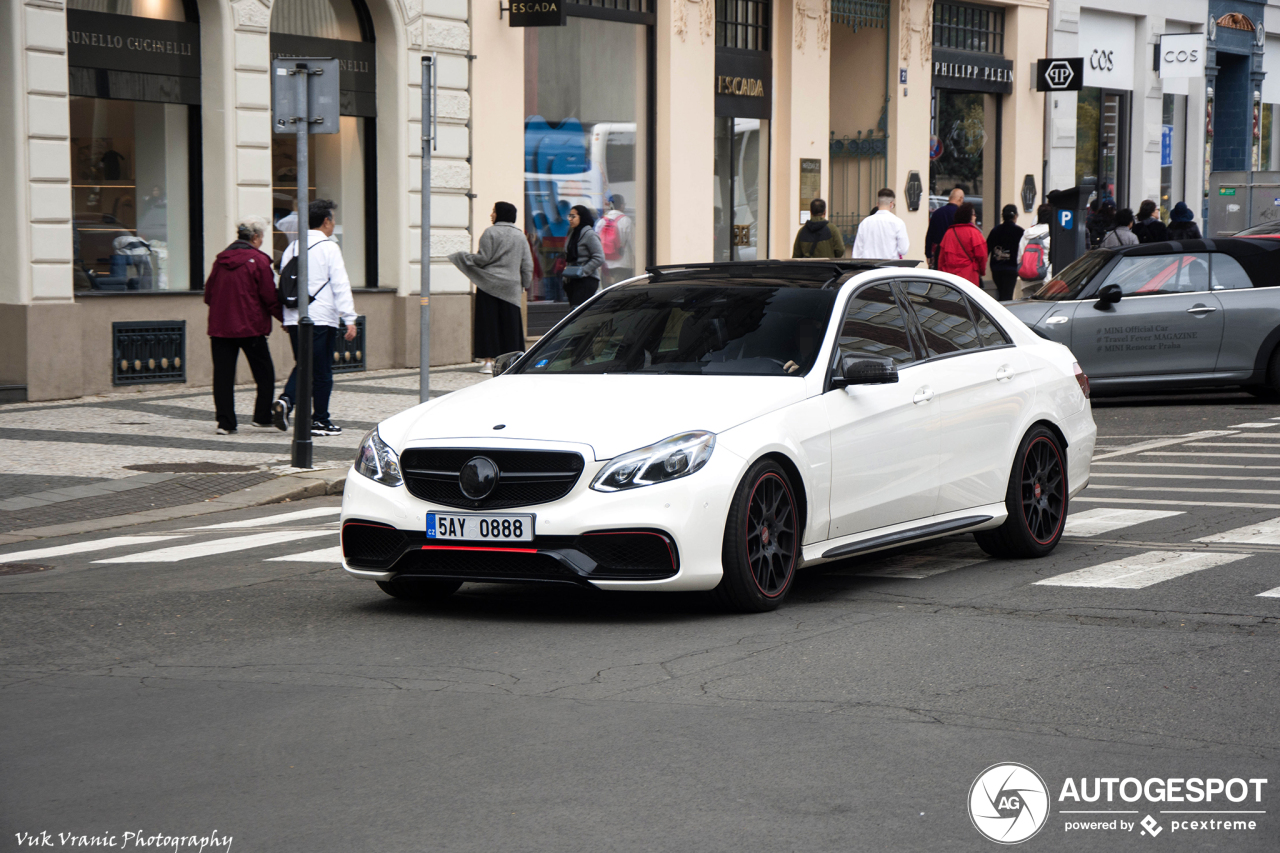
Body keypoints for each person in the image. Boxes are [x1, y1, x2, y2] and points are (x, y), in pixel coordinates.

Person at [272, 199, 358, 437]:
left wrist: (287, 317)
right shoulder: (329, 247)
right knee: (318, 370)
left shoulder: (293, 247)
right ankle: (297, 406)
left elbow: (282, 281)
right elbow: (340, 283)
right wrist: (349, 318)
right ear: (326, 221)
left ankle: (314, 416)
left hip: (295, 317)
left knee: (307, 365)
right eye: (332, 219)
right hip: (320, 317)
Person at [204, 216, 282, 435]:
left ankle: (225, 423)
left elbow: (208, 295)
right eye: (262, 237)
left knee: (223, 376)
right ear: (256, 237)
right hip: (251, 327)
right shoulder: (259, 261)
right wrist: (285, 320)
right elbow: (269, 296)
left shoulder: (220, 260)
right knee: (265, 373)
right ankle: (262, 416)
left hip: (220, 328)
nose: (262, 241)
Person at [449, 201, 534, 374]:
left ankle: (488, 362)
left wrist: (465, 258)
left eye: (494, 211)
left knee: (488, 323)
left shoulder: (490, 232)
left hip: (488, 285)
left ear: (501, 214)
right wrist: (525, 283)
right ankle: (513, 361)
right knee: (511, 324)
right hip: (511, 287)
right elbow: (527, 264)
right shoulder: (520, 236)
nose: (491, 214)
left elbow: (483, 259)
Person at [562, 205, 606, 307]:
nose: (570, 219)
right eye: (569, 216)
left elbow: (599, 257)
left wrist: (583, 271)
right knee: (574, 311)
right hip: (572, 280)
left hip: (586, 280)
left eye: (573, 216)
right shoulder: (572, 234)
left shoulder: (589, 235)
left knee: (577, 312)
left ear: (581, 217)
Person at [937, 202, 987, 286]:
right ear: (969, 216)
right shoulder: (974, 233)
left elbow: (941, 259)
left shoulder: (949, 233)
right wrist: (981, 271)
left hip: (950, 278)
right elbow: (982, 256)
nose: (975, 217)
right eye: (974, 214)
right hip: (969, 277)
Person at [851, 188, 910, 259]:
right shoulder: (898, 223)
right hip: (890, 266)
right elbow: (903, 250)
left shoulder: (865, 223)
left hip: (869, 266)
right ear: (891, 204)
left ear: (877, 204)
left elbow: (857, 252)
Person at [986, 204, 1024, 301]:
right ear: (1015, 216)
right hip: (1011, 268)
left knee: (1001, 293)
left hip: (996, 268)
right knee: (1007, 295)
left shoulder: (995, 231)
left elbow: (986, 249)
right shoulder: (1019, 232)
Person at [595, 194, 634, 283]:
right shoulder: (626, 220)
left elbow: (596, 243)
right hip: (622, 263)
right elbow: (633, 243)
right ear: (622, 205)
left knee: (607, 293)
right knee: (620, 291)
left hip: (605, 264)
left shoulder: (601, 221)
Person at [1017, 204, 1054, 296]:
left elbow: (1019, 257)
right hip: (1044, 280)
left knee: (1028, 308)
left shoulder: (1027, 234)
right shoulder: (1052, 234)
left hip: (1026, 281)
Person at [925, 187, 964, 268]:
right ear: (960, 199)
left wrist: (928, 254)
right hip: (956, 252)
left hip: (939, 251)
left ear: (949, 198)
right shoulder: (961, 215)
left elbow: (930, 235)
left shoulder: (937, 213)